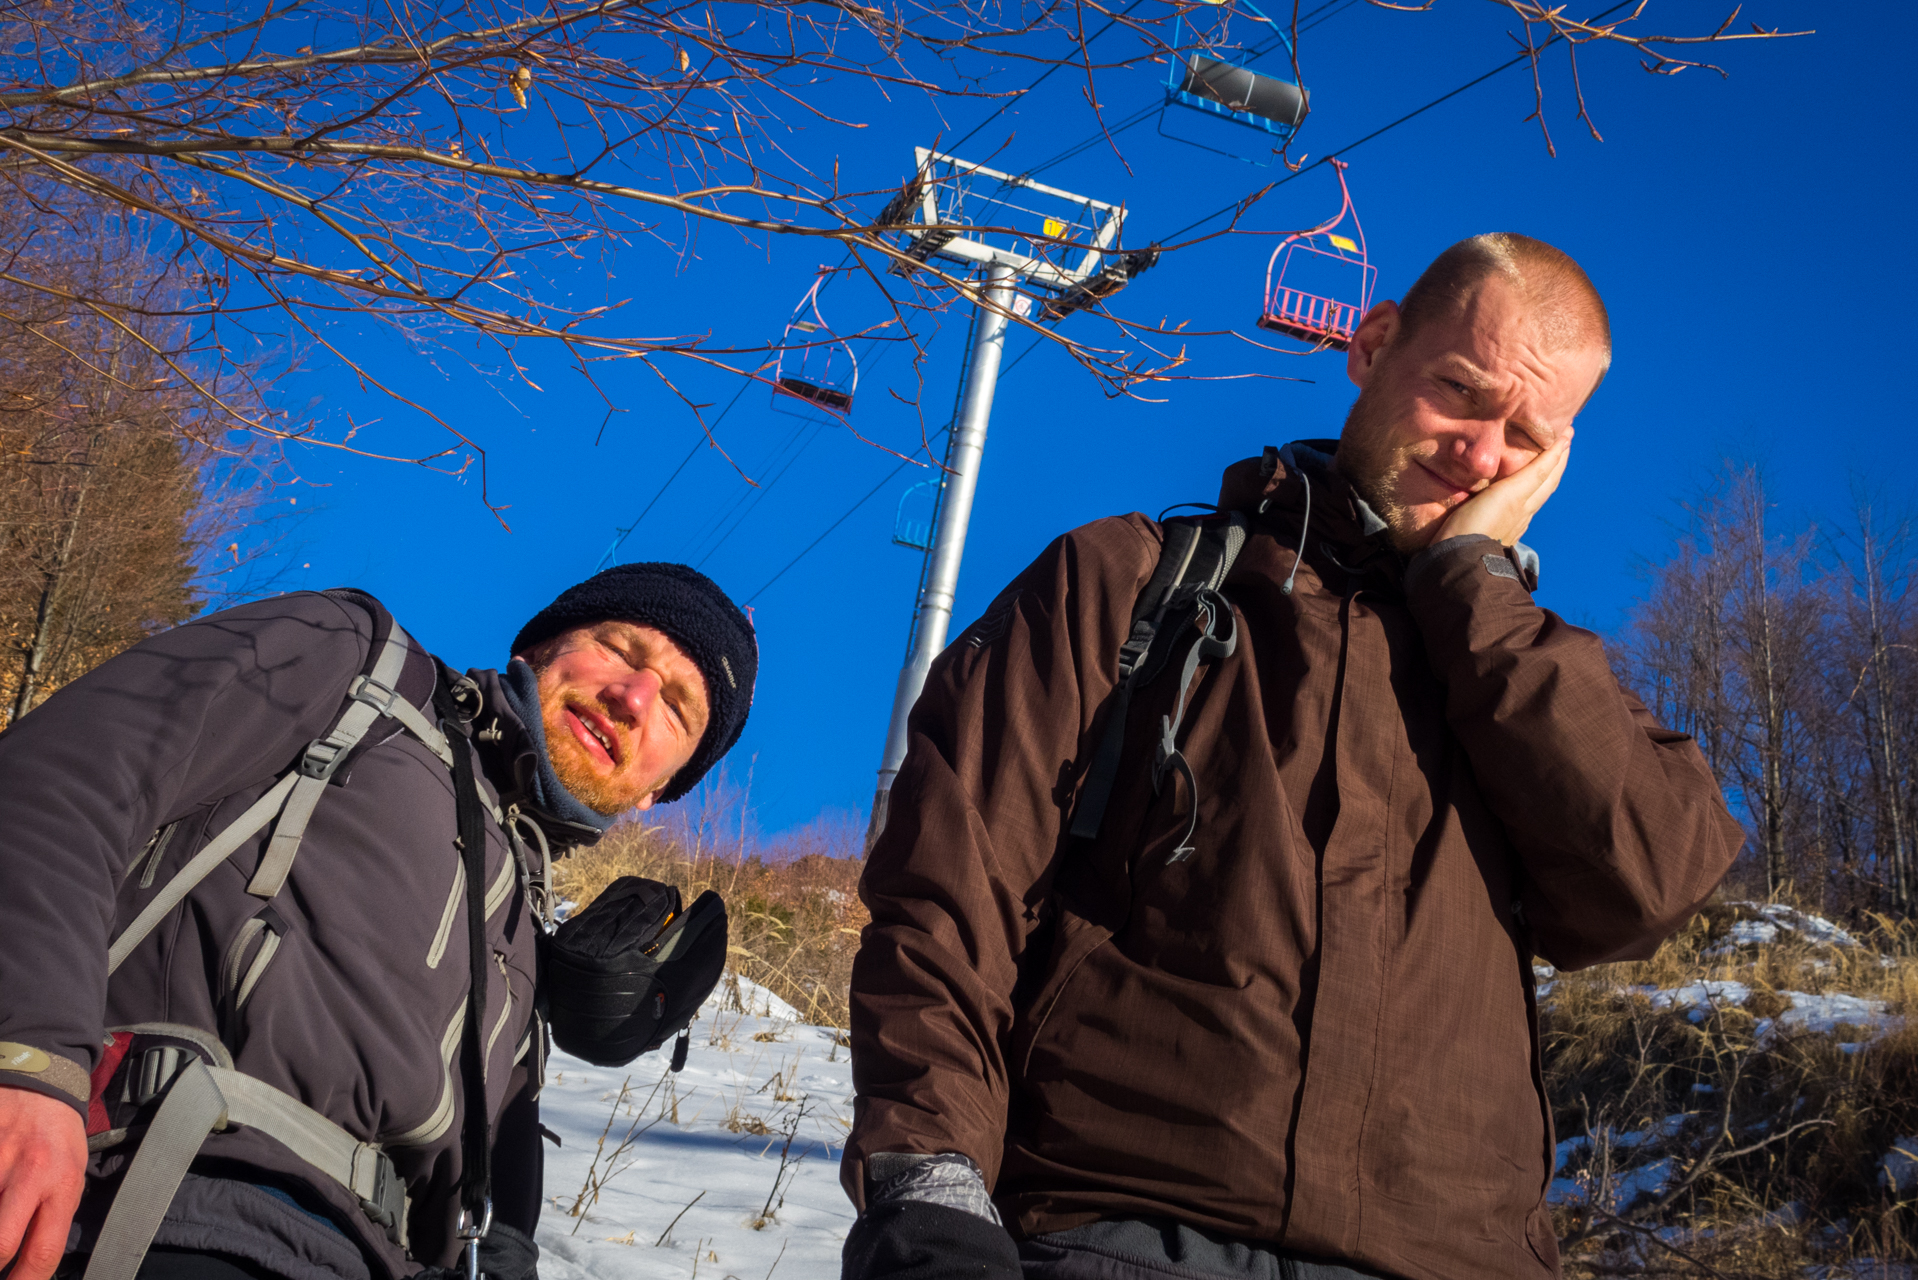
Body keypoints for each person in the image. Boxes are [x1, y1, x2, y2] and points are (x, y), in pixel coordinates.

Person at [840, 234, 1743, 1280]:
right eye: (1459, 391)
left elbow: (1649, 883)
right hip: (1118, 1233)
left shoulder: (1525, 676)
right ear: (1371, 342)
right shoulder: (1129, 582)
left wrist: (1470, 580)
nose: (1478, 452)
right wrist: (929, 1184)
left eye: (1524, 435)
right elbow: (949, 895)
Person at [0, 563, 757, 1280]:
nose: (633, 696)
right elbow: (65, 778)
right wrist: (30, 1057)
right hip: (137, 1199)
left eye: (677, 708)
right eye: (619, 649)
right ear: (540, 647)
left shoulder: (520, 925)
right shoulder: (354, 664)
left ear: (663, 788)